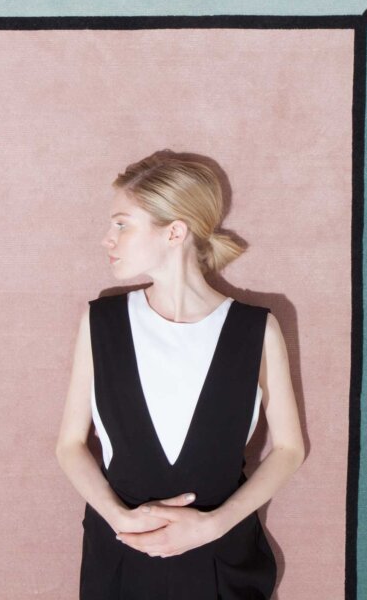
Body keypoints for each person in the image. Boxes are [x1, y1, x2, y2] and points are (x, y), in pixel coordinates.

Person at [55, 149, 305, 598]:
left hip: (222, 566)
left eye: (122, 224)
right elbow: (70, 445)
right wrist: (120, 518)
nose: (107, 239)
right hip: (119, 562)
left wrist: (212, 526)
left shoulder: (255, 330)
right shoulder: (101, 323)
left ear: (174, 232)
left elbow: (289, 449)